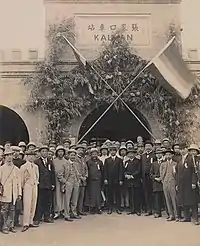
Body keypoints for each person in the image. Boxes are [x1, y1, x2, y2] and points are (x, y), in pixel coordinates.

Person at [176, 144, 199, 225]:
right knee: (184, 200)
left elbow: (194, 171)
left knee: (192, 201)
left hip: (190, 182)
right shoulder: (179, 159)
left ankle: (196, 218)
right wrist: (177, 184)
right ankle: (187, 217)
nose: (182, 151)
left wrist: (193, 182)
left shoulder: (191, 158)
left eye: (183, 149)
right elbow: (177, 173)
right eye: (180, 149)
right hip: (182, 183)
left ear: (186, 149)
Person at [0, 148, 22, 234]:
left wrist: (19, 193)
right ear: (4, 157)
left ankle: (11, 226)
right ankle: (4, 226)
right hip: (5, 192)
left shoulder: (16, 169)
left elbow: (19, 182)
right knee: (4, 210)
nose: (9, 157)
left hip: (14, 193)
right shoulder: (1, 168)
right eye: (7, 155)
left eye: (10, 155)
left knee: (12, 210)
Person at [34, 145, 56, 225]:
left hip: (48, 185)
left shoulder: (50, 161)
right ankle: (38, 218)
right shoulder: (37, 162)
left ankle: (47, 216)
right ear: (40, 153)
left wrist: (53, 183)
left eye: (46, 151)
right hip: (40, 185)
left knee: (48, 202)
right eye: (43, 151)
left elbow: (52, 173)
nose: (44, 153)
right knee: (39, 202)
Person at [57, 149, 81, 222]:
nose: (73, 157)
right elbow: (59, 175)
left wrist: (78, 180)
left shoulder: (77, 164)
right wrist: (66, 182)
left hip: (76, 183)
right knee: (67, 200)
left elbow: (79, 173)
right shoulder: (65, 164)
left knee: (75, 199)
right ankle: (66, 215)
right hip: (68, 183)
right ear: (68, 156)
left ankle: (73, 213)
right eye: (71, 155)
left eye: (74, 155)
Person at [20, 150, 39, 232]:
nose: (31, 157)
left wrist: (36, 182)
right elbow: (21, 179)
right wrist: (23, 187)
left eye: (33, 155)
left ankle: (31, 221)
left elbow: (37, 176)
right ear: (26, 156)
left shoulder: (35, 166)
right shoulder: (23, 167)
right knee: (27, 204)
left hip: (34, 185)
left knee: (33, 203)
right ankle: (25, 223)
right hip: (27, 186)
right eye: (30, 155)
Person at [104, 144, 123, 214]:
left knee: (118, 195)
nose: (112, 152)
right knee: (110, 195)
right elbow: (105, 170)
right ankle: (110, 208)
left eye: (114, 151)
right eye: (111, 151)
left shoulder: (119, 160)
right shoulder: (107, 160)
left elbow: (121, 170)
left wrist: (121, 179)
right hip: (109, 180)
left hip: (117, 180)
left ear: (116, 151)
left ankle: (118, 208)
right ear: (109, 152)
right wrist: (105, 179)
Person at [160, 149, 178, 221]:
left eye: (169, 154)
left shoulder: (175, 164)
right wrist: (163, 180)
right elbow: (161, 173)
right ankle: (171, 215)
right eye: (166, 154)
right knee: (167, 199)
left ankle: (177, 215)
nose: (168, 156)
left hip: (173, 182)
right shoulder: (163, 164)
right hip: (165, 182)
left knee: (174, 199)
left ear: (172, 155)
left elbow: (176, 174)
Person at [85, 148, 103, 214]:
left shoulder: (100, 162)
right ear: (91, 154)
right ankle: (91, 208)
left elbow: (102, 171)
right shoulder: (88, 162)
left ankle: (98, 208)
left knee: (98, 195)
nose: (94, 155)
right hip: (91, 181)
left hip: (98, 180)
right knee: (91, 194)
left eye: (95, 154)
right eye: (93, 154)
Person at [124, 148, 142, 216]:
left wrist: (132, 176)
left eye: (132, 153)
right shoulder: (127, 162)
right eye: (129, 153)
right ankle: (132, 209)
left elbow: (139, 170)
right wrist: (126, 175)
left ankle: (137, 210)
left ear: (134, 154)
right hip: (128, 181)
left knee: (136, 196)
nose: (131, 155)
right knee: (130, 196)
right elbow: (124, 170)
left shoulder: (138, 161)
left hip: (136, 180)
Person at [53, 146, 67, 220]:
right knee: (57, 196)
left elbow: (67, 172)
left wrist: (64, 180)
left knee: (63, 196)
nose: (60, 153)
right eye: (59, 151)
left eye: (62, 151)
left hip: (64, 180)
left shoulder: (66, 161)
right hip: (56, 180)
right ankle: (57, 211)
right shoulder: (54, 161)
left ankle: (63, 211)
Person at [141, 140, 155, 215]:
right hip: (144, 177)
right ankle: (148, 209)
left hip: (152, 177)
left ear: (152, 147)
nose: (148, 148)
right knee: (146, 193)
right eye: (146, 146)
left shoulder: (154, 155)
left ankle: (155, 209)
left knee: (153, 193)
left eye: (149, 146)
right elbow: (141, 167)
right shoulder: (142, 156)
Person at [150, 149, 164, 218]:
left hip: (164, 182)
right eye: (157, 153)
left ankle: (168, 212)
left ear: (162, 154)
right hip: (156, 183)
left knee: (165, 198)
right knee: (157, 199)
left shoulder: (165, 162)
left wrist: (162, 178)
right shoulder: (154, 164)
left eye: (160, 153)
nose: (158, 154)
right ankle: (157, 212)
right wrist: (156, 178)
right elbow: (151, 174)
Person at [76, 144, 88, 216]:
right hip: (77, 180)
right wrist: (81, 177)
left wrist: (86, 176)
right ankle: (75, 211)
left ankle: (80, 210)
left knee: (81, 196)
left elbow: (86, 168)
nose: (80, 151)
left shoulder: (83, 159)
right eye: (79, 149)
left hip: (84, 181)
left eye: (82, 150)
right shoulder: (75, 158)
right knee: (76, 197)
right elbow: (75, 170)